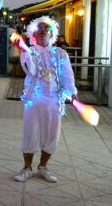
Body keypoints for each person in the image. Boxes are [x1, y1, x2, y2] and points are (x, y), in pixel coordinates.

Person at [13, 16, 77, 183]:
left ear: (52, 33)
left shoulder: (61, 53)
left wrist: (71, 93)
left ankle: (43, 167)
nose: (42, 30)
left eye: (46, 28)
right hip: (33, 98)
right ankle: (27, 168)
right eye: (39, 28)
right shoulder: (29, 52)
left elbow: (68, 77)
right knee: (30, 133)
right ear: (34, 33)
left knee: (51, 135)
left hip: (54, 100)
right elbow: (31, 71)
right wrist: (25, 52)